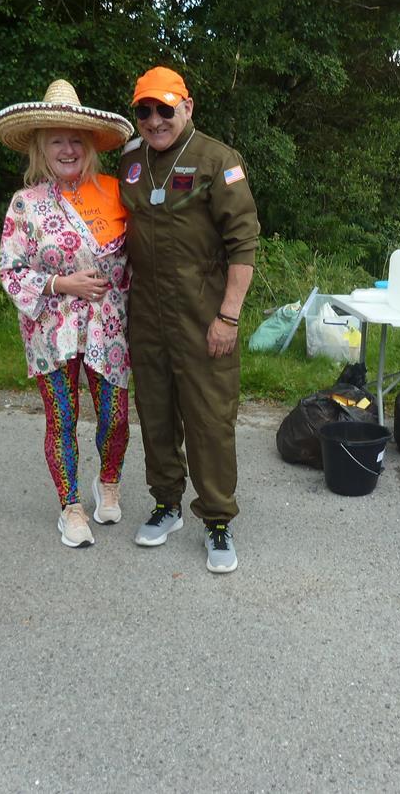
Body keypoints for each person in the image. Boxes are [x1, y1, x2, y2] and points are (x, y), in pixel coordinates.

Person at [118, 66, 260, 574]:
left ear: (188, 107)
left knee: (208, 420)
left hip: (204, 313)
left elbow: (243, 244)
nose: (154, 120)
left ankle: (217, 520)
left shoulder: (219, 161)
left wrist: (229, 316)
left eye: (164, 108)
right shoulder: (131, 159)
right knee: (155, 413)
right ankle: (167, 504)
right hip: (147, 314)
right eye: (144, 110)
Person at [0, 79, 135, 549]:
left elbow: (145, 255)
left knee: (115, 416)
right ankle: (70, 506)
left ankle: (107, 480)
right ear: (41, 148)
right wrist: (61, 284)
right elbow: (11, 270)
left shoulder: (117, 193)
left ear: (91, 145)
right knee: (63, 418)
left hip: (110, 329)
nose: (68, 148)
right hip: (50, 331)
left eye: (76, 139)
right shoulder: (25, 205)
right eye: (57, 140)